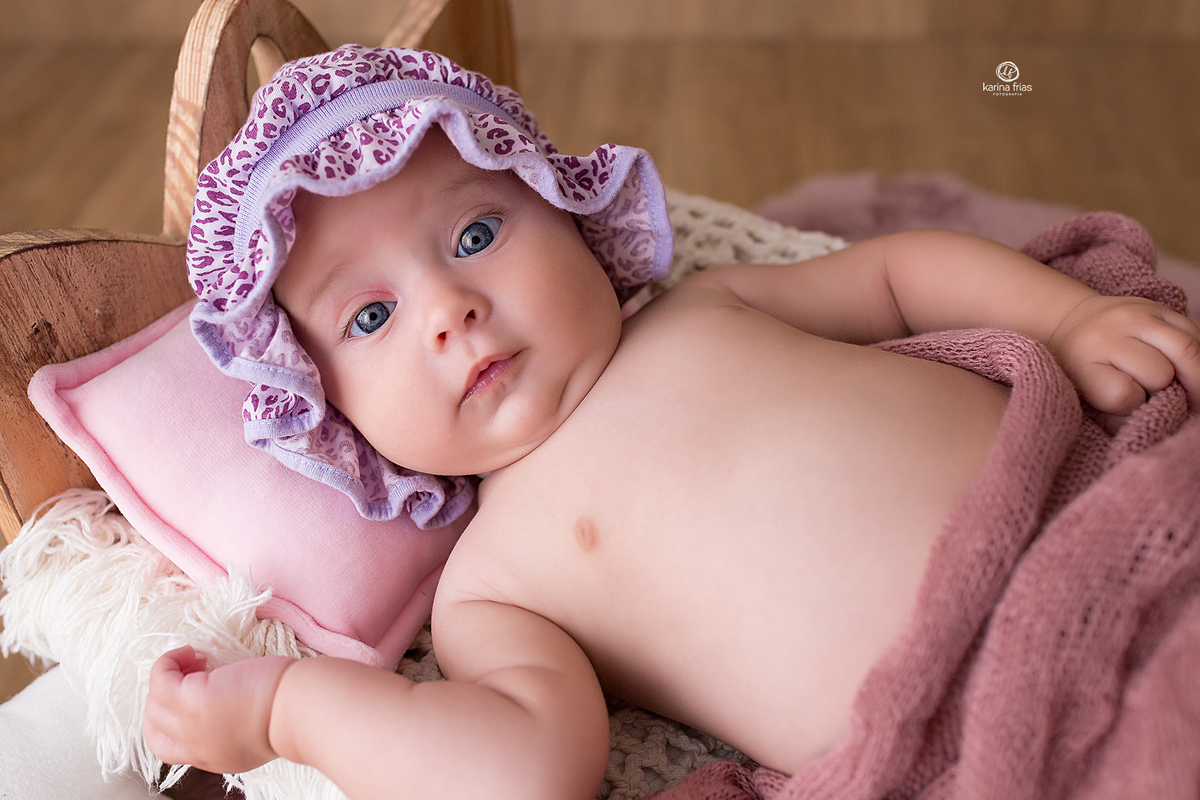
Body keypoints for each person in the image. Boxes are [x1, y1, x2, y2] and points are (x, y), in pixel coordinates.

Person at [145, 46, 1200, 800]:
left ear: (568, 212)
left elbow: (895, 273)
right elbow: (521, 770)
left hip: (1117, 506)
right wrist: (287, 710)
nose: (448, 309)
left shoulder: (706, 307)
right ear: (326, 411)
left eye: (475, 232)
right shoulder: (494, 583)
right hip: (994, 714)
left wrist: (1067, 316)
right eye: (370, 317)